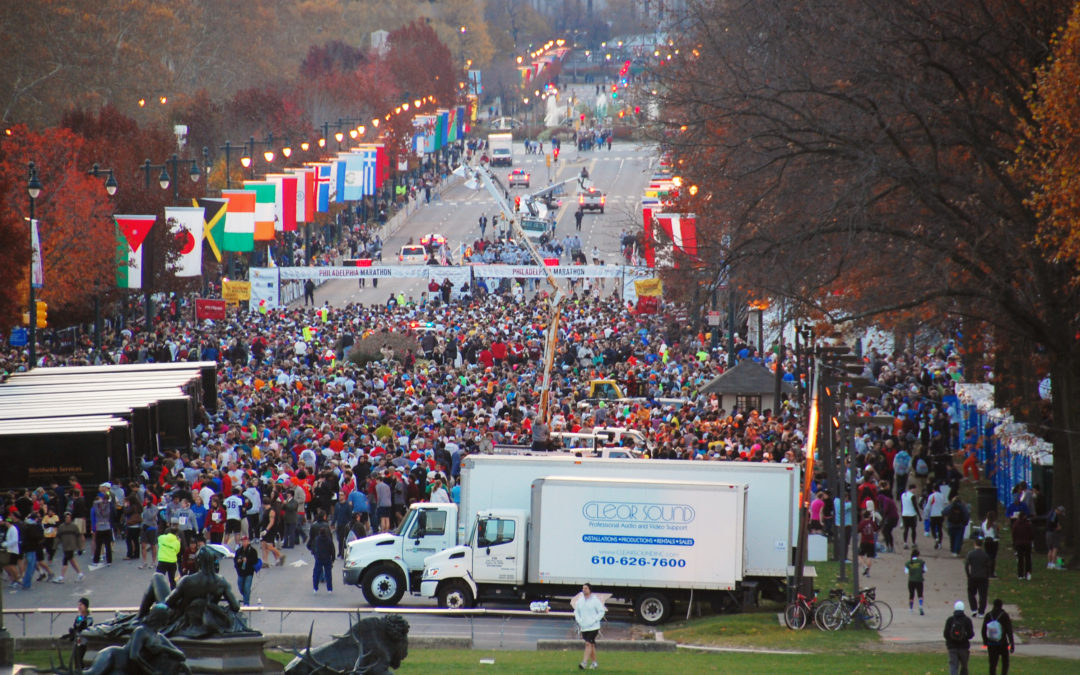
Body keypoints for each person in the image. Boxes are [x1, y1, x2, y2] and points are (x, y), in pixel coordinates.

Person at [574, 582, 606, 670]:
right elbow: (576, 611)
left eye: (586, 588)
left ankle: (584, 662)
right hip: (584, 627)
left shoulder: (595, 600)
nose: (584, 590)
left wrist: (595, 619)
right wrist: (579, 620)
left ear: (590, 590)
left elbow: (601, 611)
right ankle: (594, 663)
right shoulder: (580, 601)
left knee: (588, 643)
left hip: (593, 627)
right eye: (583, 588)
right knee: (591, 645)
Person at [981, 598, 1015, 675]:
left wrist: (985, 642)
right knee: (1005, 662)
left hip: (992, 644)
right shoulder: (1004, 615)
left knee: (992, 664)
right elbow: (1009, 631)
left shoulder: (988, 615)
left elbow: (983, 630)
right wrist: (1011, 644)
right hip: (1002, 643)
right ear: (1001, 605)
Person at [943, 600, 975, 675]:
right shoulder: (967, 620)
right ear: (963, 609)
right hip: (963, 647)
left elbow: (945, 634)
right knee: (964, 666)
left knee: (953, 666)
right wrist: (964, 637)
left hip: (952, 647)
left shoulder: (950, 620)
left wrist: (951, 639)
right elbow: (971, 635)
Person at [54, 512, 85, 583]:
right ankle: (80, 574)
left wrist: (80, 548)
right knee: (72, 560)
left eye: (69, 517)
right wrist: (55, 546)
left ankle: (61, 577)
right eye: (66, 517)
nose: (68, 519)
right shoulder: (61, 527)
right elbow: (58, 537)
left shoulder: (74, 527)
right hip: (65, 546)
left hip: (71, 546)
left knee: (65, 561)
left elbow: (78, 537)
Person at [964, 538, 991, 617]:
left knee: (971, 593)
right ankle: (981, 612)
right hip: (983, 577)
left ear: (974, 544)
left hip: (973, 576)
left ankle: (974, 609)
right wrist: (987, 575)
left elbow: (966, 566)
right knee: (983, 595)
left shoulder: (971, 554)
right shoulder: (985, 555)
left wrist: (968, 575)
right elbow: (989, 566)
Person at [65, 596, 93, 669]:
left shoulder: (89, 618)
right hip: (77, 641)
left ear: (86, 606)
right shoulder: (79, 617)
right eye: (78, 605)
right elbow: (76, 626)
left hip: (84, 642)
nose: (79, 607)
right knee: (76, 660)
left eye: (81, 605)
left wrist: (78, 628)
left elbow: (83, 627)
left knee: (81, 660)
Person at [234, 534, 259, 606]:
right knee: (241, 587)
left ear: (248, 541)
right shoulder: (239, 551)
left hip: (249, 572)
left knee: (247, 587)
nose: (244, 542)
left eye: (245, 541)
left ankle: (246, 603)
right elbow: (235, 560)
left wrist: (247, 560)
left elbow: (255, 560)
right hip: (241, 572)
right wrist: (238, 562)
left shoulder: (253, 551)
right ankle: (246, 595)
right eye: (242, 541)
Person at [312, 522, 335, 595]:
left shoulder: (317, 539)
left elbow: (314, 548)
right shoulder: (328, 540)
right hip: (327, 558)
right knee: (328, 574)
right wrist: (333, 558)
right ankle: (329, 589)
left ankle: (315, 588)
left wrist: (314, 554)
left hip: (319, 558)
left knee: (316, 574)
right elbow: (332, 549)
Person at [1011, 510, 1034, 581]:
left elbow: (1013, 534)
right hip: (1027, 543)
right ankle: (1028, 573)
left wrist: (1015, 542)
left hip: (1018, 543)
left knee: (1020, 560)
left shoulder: (1016, 524)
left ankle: (1020, 575)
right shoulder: (1028, 524)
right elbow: (1031, 534)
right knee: (1028, 559)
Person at [904, 547, 927, 615]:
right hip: (919, 580)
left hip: (911, 580)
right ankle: (920, 606)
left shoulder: (908, 563)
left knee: (911, 594)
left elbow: (906, 572)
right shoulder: (921, 562)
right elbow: (925, 570)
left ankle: (911, 608)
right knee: (920, 594)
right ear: (918, 555)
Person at [857, 509, 879, 577]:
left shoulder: (862, 523)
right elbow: (876, 529)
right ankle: (868, 572)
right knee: (869, 557)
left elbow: (858, 530)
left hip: (864, 541)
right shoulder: (872, 522)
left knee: (860, 555)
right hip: (871, 542)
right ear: (869, 516)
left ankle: (864, 566)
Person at [900, 483, 921, 549]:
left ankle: (905, 542)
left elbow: (902, 505)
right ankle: (913, 542)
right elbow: (915, 506)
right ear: (913, 489)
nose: (915, 491)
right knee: (913, 529)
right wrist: (919, 515)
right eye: (915, 489)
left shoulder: (903, 495)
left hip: (904, 514)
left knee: (906, 529)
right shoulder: (912, 496)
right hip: (912, 514)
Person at [1045, 504, 1065, 570]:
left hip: (1048, 532)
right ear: (1059, 511)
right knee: (1055, 548)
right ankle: (1054, 564)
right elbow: (1052, 522)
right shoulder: (1054, 514)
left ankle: (1049, 564)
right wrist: (1057, 527)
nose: (1060, 514)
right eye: (1061, 513)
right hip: (1053, 533)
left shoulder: (1050, 513)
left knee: (1050, 549)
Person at [981, 511, 1000, 578]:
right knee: (993, 558)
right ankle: (991, 572)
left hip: (986, 541)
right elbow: (996, 534)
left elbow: (982, 533)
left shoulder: (983, 524)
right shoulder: (994, 525)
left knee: (988, 556)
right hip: (994, 542)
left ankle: (987, 572)